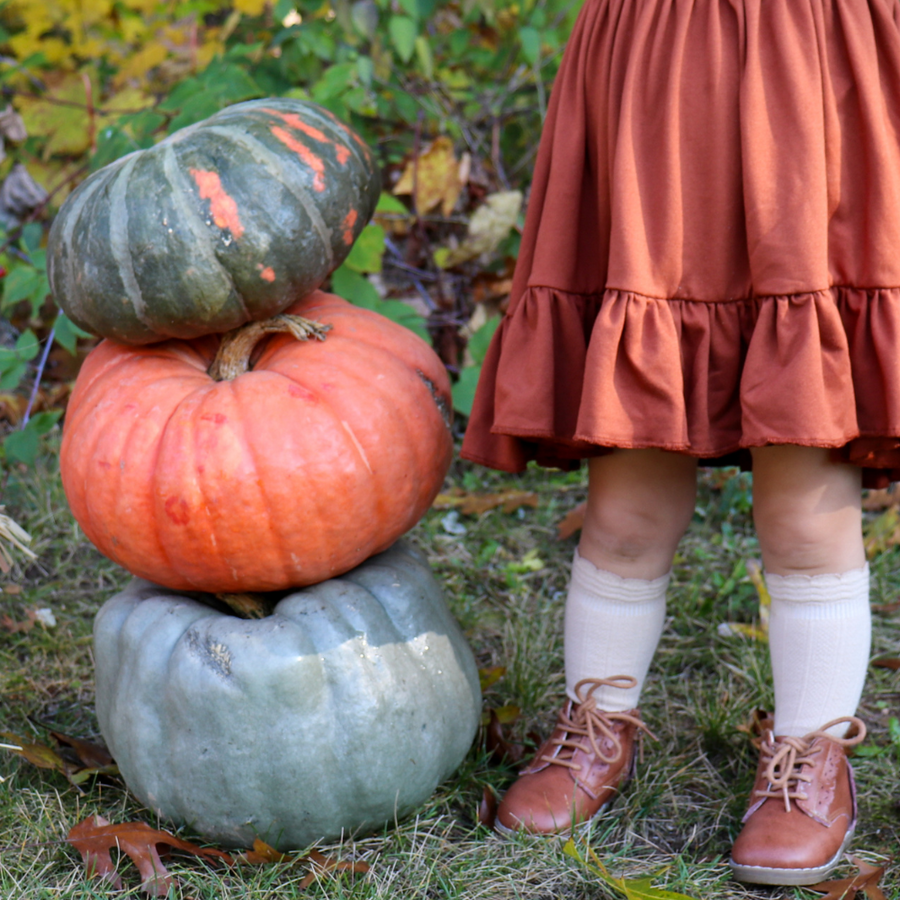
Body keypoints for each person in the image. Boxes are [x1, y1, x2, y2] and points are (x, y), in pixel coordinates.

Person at [459, 0, 895, 887]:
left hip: (811, 62)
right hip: (656, 66)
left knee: (803, 491)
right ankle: (599, 721)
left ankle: (810, 756)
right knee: (628, 489)